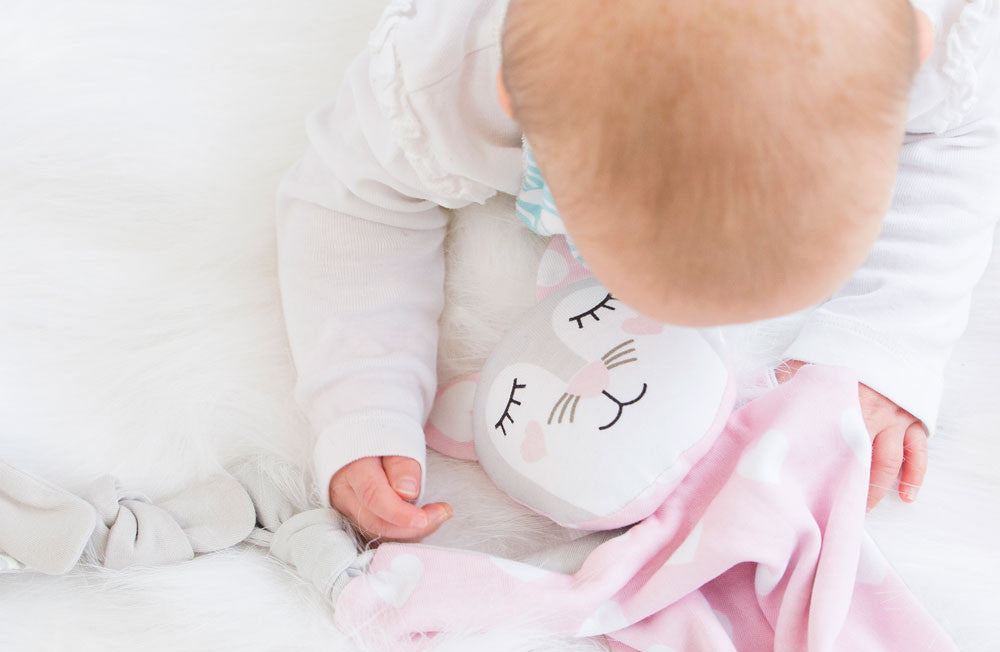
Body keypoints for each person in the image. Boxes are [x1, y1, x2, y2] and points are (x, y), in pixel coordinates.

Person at [276, 0, 1000, 541]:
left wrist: (888, 338)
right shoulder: (443, 79)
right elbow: (348, 195)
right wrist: (362, 400)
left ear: (917, 46)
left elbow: (961, 131)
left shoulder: (927, 33)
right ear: (515, 103)